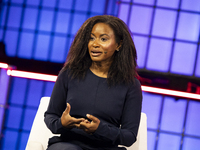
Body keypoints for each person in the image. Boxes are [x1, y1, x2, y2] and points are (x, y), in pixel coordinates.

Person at [44, 15, 142, 150]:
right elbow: (51, 116)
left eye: (103, 39)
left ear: (118, 44)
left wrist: (100, 128)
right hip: (69, 144)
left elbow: (129, 136)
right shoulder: (69, 73)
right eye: (91, 38)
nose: (95, 44)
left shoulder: (131, 85)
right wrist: (62, 123)